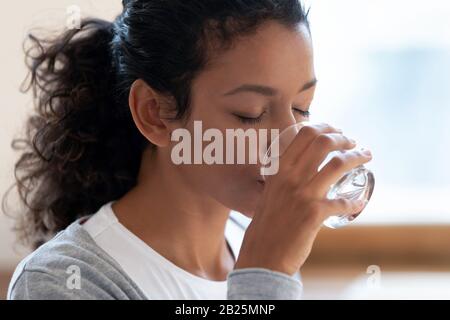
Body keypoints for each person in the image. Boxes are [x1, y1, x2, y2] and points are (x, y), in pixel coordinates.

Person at [5, 0, 372, 300]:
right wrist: (265, 275)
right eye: (250, 114)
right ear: (155, 114)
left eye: (301, 106)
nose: (288, 138)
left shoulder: (250, 241)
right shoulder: (64, 283)